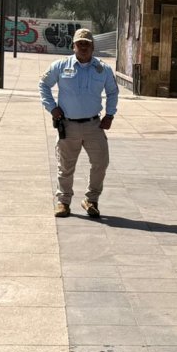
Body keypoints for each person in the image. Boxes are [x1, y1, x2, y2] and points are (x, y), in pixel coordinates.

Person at [39, 27, 119, 219]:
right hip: (68, 125)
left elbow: (113, 92)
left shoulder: (103, 69)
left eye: (87, 44)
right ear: (73, 46)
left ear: (93, 47)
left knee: (101, 162)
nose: (83, 47)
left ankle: (91, 200)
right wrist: (52, 107)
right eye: (80, 43)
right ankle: (63, 202)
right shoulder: (60, 66)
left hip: (94, 125)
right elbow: (43, 84)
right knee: (65, 166)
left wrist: (110, 114)